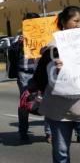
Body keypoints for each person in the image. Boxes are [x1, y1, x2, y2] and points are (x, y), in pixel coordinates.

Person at [31, 6, 80, 163]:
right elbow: (39, 79)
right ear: (63, 22)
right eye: (75, 21)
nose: (79, 25)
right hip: (59, 112)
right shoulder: (51, 49)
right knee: (61, 152)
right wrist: (54, 70)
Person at [10, 12, 51, 142]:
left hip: (43, 73)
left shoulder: (46, 37)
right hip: (25, 74)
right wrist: (19, 45)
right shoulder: (19, 38)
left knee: (47, 101)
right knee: (25, 103)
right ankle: (23, 131)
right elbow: (11, 54)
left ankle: (49, 133)